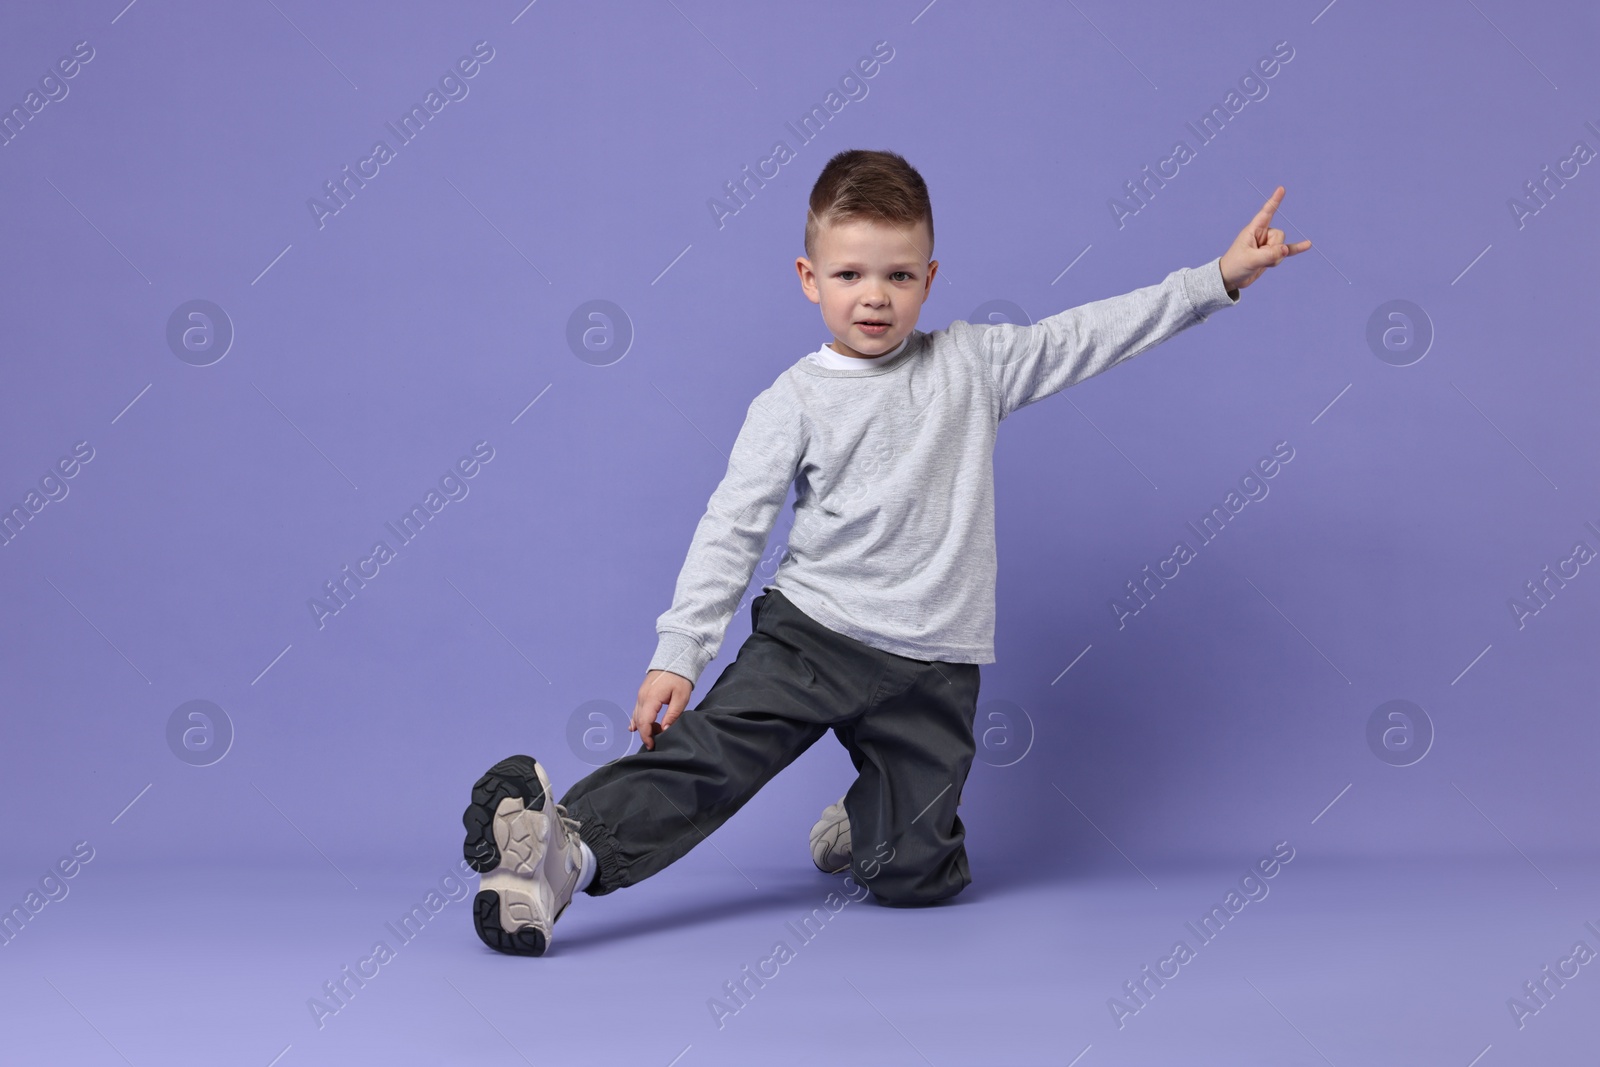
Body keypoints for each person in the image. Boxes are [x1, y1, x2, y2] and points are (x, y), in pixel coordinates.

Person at [461, 148, 1310, 956]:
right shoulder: (791, 400)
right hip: (812, 636)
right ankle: (562, 852)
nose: (875, 297)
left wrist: (1217, 280)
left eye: (900, 275)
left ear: (930, 278)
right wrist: (680, 650)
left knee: (917, 876)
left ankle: (874, 827)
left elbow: (1088, 335)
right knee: (713, 753)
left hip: (934, 665)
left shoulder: (973, 363)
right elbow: (732, 526)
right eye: (850, 275)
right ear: (810, 280)